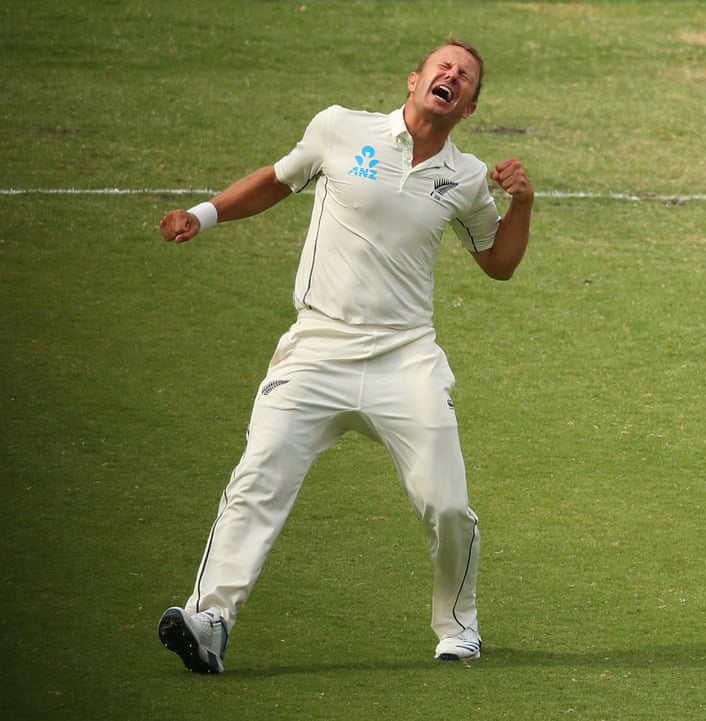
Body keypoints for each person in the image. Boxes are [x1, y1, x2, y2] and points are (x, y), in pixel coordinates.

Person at [155, 38, 533, 673]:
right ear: (414, 80)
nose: (452, 75)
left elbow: (499, 264)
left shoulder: (466, 178)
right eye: (442, 66)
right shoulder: (338, 129)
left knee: (446, 504)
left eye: (466, 77)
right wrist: (206, 214)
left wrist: (523, 202)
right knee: (257, 479)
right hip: (317, 350)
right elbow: (277, 181)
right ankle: (210, 618)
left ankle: (459, 626)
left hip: (405, 359)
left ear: (468, 108)